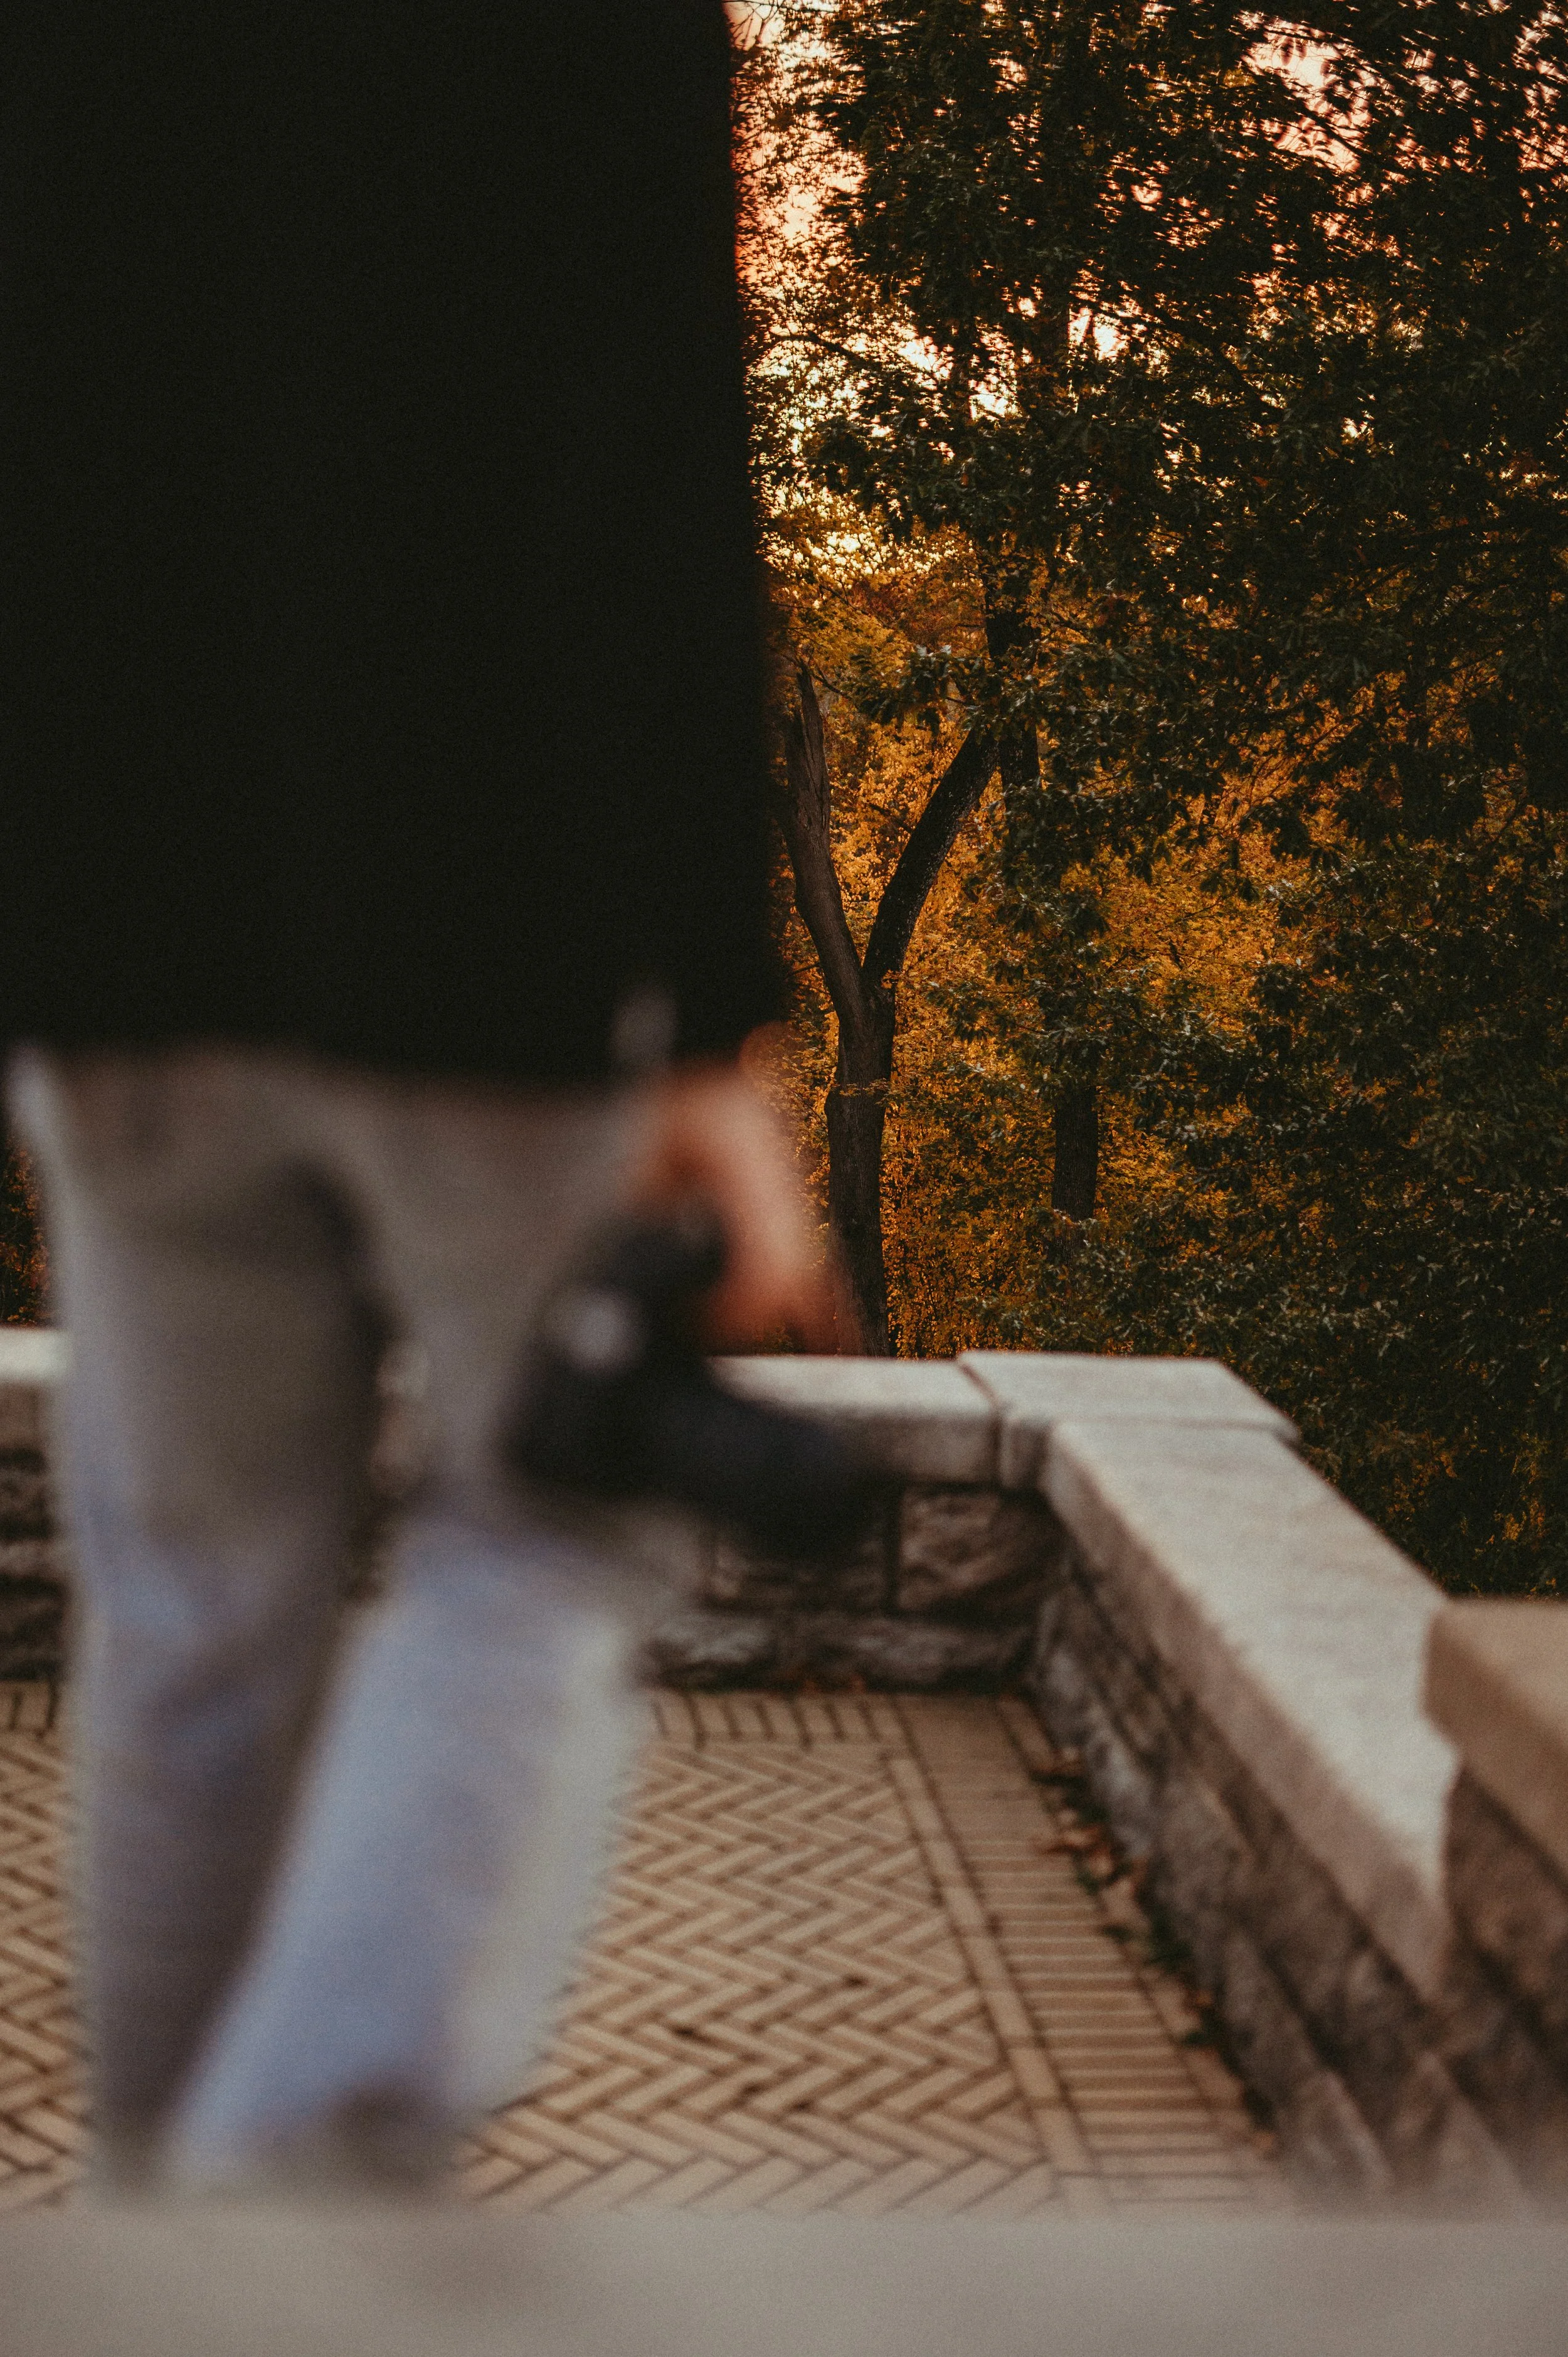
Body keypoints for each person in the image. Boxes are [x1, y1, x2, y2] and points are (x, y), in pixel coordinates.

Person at [0, 5, 826, 2193]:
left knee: (187, 1604)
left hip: (114, 921)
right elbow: (645, 445)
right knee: (552, 1519)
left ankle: (143, 2254)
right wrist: (715, 1027)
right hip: (492, 926)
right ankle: (276, 2235)